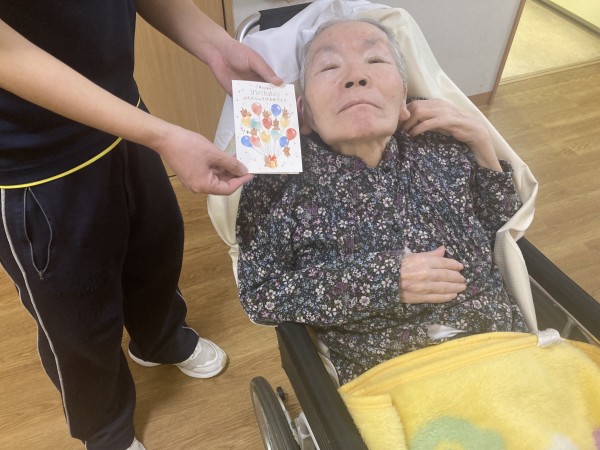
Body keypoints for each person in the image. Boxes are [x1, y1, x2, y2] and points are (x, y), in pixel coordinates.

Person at [0, 2, 282, 450]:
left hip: (125, 117)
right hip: (35, 161)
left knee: (156, 246)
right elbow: (8, 55)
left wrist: (216, 46)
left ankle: (160, 339)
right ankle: (105, 427)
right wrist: (163, 135)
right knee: (75, 315)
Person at [236, 18, 528, 386]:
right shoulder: (280, 183)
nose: (356, 76)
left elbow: (504, 233)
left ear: (404, 98)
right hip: (394, 381)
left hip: (507, 351)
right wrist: (385, 279)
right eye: (329, 67)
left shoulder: (441, 144)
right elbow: (261, 294)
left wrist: (483, 144)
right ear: (303, 112)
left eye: (375, 60)